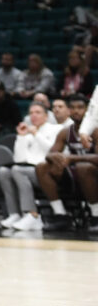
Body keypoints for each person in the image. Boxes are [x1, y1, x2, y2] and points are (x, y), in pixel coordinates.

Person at [35, 96, 98, 231]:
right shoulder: (66, 132)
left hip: (94, 176)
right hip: (77, 177)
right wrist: (56, 158)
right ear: (69, 111)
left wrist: (72, 158)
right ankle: (61, 215)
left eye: (80, 108)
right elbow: (50, 154)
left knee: (83, 167)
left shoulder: (95, 130)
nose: (76, 111)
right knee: (42, 167)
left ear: (88, 111)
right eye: (73, 108)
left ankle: (96, 215)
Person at [0, 101, 59, 231]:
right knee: (3, 171)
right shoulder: (28, 131)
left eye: (38, 112)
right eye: (31, 113)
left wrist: (36, 134)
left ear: (46, 116)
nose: (34, 116)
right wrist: (21, 137)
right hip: (27, 169)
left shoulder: (55, 129)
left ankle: (32, 215)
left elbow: (51, 151)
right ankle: (14, 214)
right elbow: (18, 159)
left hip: (46, 172)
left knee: (18, 170)